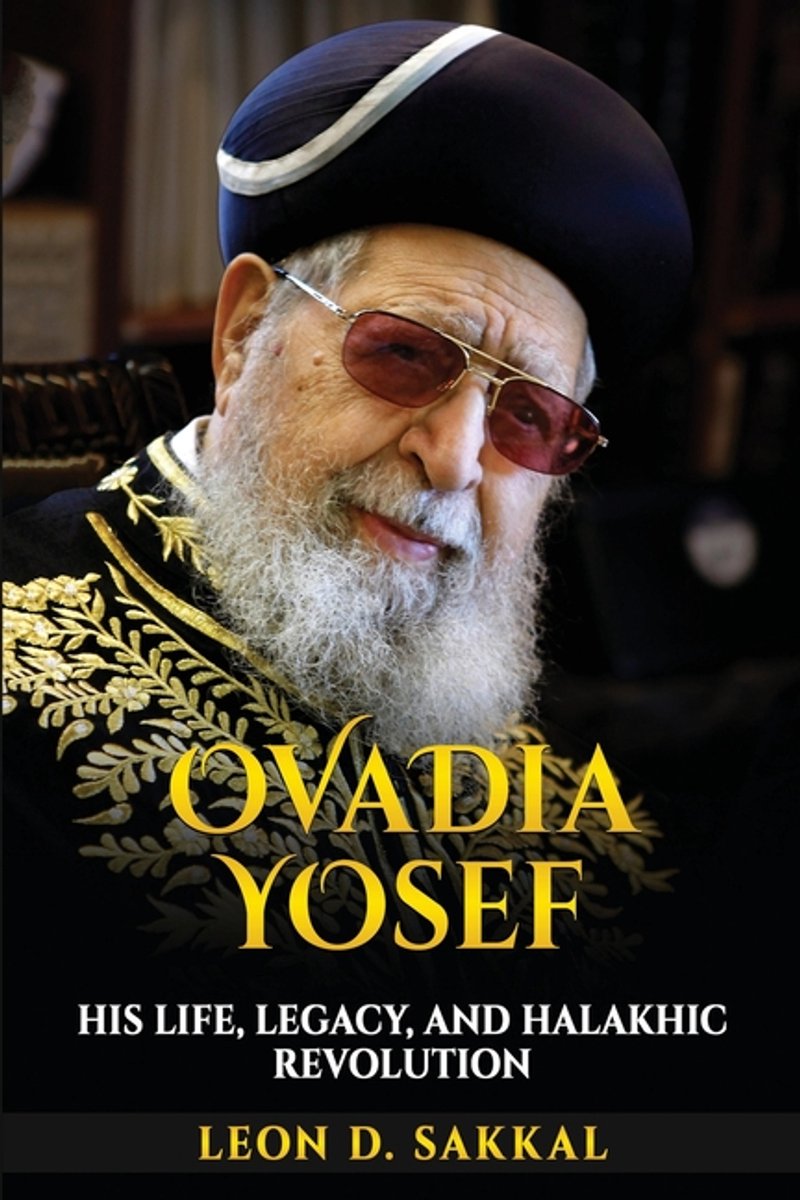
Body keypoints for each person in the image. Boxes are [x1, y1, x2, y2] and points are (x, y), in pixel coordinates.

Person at [3, 20, 697, 1114]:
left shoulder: (549, 778)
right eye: (406, 354)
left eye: (528, 417)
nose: (455, 458)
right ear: (243, 334)